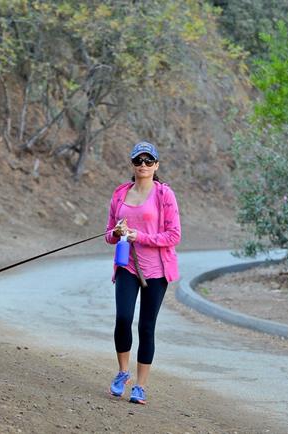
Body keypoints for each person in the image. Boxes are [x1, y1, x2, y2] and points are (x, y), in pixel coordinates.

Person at [104, 141, 181, 404]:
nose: (143, 165)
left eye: (149, 161)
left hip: (156, 271)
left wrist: (140, 236)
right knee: (123, 319)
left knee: (147, 328)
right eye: (139, 161)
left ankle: (140, 386)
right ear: (133, 164)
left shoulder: (164, 195)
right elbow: (108, 234)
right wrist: (116, 233)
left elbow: (174, 235)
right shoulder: (120, 194)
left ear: (157, 165)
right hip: (127, 265)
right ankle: (122, 373)